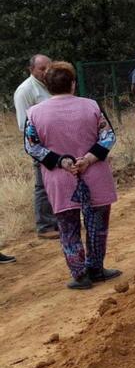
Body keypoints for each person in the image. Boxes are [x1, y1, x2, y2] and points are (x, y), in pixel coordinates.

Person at [24, 62, 121, 290]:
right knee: (97, 225)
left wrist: (61, 161)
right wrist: (88, 158)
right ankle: (96, 268)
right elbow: (108, 137)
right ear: (73, 84)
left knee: (68, 228)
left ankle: (79, 275)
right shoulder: (92, 106)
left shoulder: (35, 113)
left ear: (47, 86)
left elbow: (32, 146)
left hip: (60, 177)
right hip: (94, 173)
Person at [14, 54, 59, 239]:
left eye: (48, 67)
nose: (46, 71)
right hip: (40, 145)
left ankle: (58, 220)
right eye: (42, 69)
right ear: (31, 69)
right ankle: (45, 225)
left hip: (59, 141)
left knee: (58, 182)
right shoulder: (25, 90)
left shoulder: (51, 84)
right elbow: (23, 124)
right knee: (43, 184)